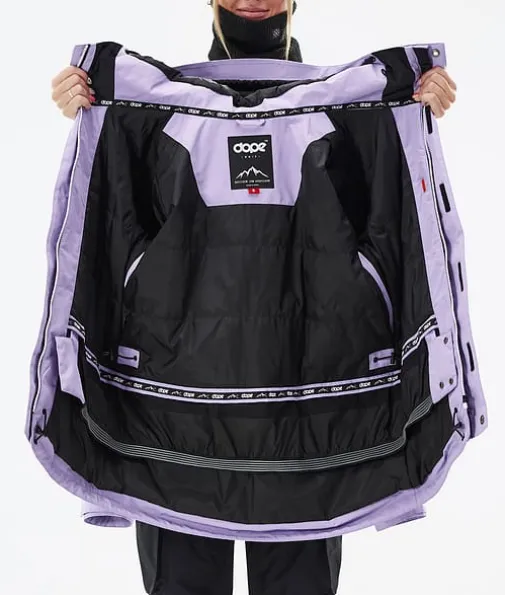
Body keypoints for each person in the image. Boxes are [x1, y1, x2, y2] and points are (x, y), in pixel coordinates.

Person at [49, 2, 458, 593]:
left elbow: (392, 235)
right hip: (171, 427)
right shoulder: (150, 110)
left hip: (308, 416)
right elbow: (110, 238)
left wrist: (413, 112)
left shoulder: (351, 111)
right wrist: (92, 109)